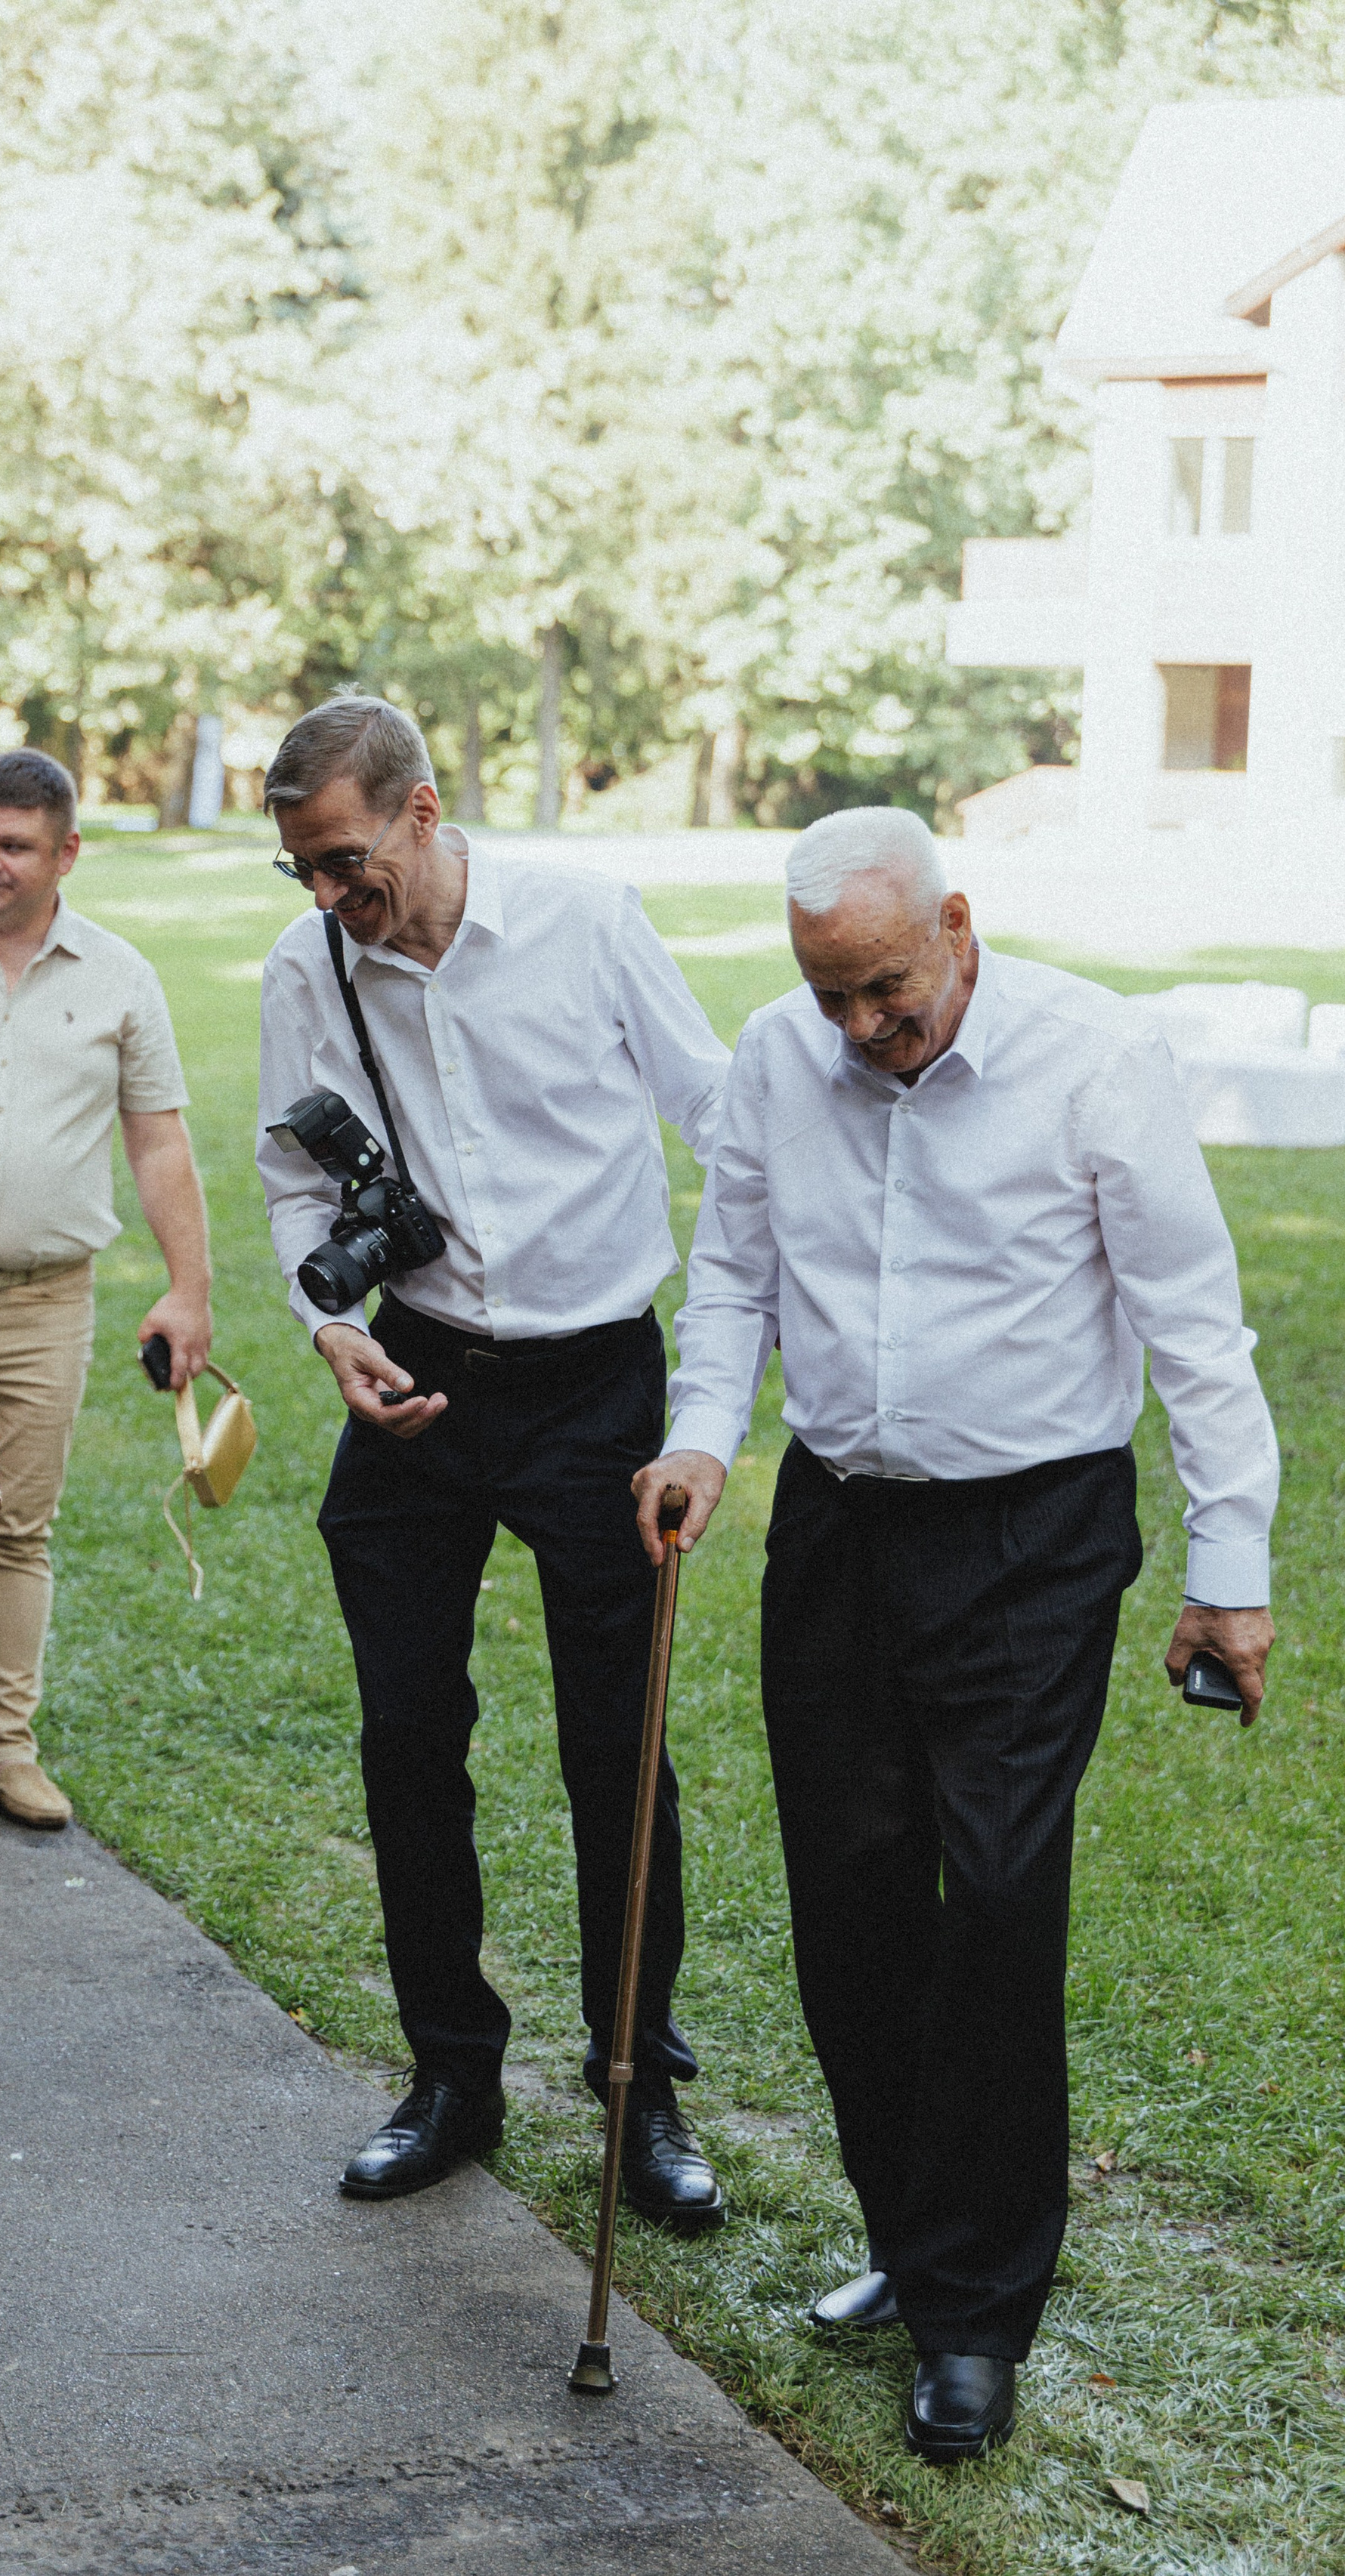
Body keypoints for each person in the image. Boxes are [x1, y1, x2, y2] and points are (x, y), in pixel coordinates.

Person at [635, 807, 1279, 2463]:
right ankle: (915, 2243)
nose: (861, 1026)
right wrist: (701, 1437)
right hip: (839, 1528)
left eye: (888, 992)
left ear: (958, 926)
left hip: (1030, 1536)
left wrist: (1229, 1567)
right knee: (850, 1894)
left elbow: (1194, 1324)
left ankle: (975, 2318)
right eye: (831, 996)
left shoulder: (1093, 1057)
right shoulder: (776, 1058)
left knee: (993, 1896)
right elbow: (733, 1276)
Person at [255, 695, 732, 2220]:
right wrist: (331, 1329)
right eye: (302, 869)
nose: (328, 894)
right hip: (419, 1376)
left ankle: (638, 2087)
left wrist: (722, 1383)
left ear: (422, 808)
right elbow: (291, 1174)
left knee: (618, 1747)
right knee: (407, 1735)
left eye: (344, 859)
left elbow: (721, 1119)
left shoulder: (588, 920)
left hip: (599, 1385)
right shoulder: (307, 964)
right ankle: (450, 2077)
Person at [0, 749, 211, 1829]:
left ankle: (4, 1750)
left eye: (12, 845)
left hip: (44, 1300)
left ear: (67, 852)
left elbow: (158, 1141)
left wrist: (189, 1288)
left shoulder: (120, 974)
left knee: (15, 1529)